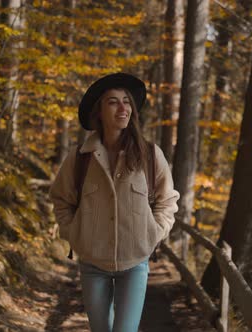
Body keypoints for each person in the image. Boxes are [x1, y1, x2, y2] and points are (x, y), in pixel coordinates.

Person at [48, 72, 180, 332]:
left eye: (127, 101)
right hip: (92, 263)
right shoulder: (80, 158)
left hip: (135, 263)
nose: (123, 108)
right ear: (99, 112)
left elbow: (168, 201)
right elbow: (61, 200)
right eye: (113, 102)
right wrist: (75, 234)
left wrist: (154, 233)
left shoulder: (151, 156)